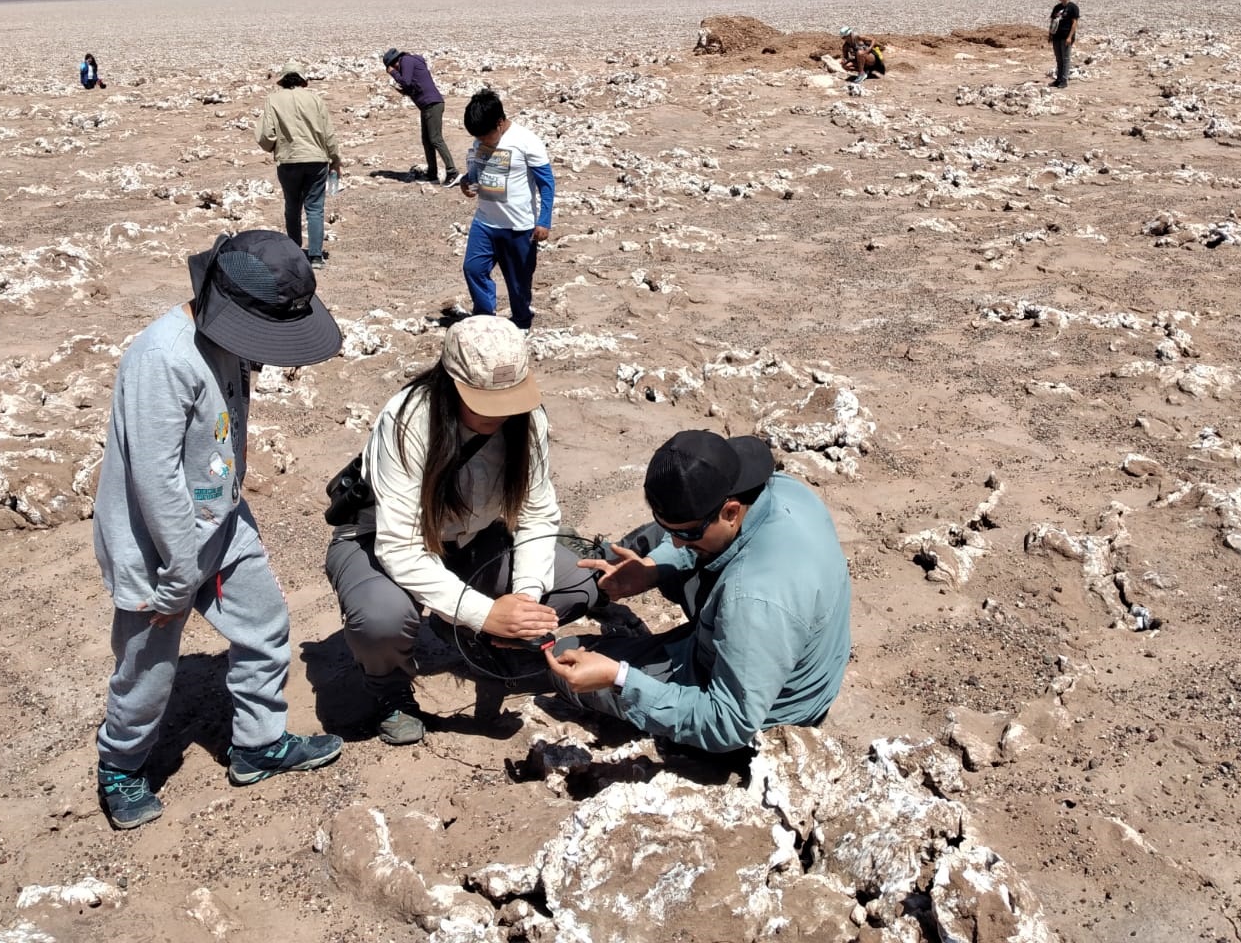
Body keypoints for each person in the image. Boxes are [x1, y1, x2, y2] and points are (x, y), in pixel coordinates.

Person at [92, 230, 346, 830]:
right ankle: (121, 765)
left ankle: (257, 745)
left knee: (265, 625)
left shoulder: (226, 339)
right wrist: (178, 575)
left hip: (221, 524)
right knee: (147, 670)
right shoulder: (162, 360)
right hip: (156, 548)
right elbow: (156, 482)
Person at [323, 315, 603, 745]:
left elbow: (535, 515)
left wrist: (523, 601)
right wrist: (486, 612)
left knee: (580, 583)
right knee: (381, 619)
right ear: (449, 382)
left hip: (472, 540)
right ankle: (390, 690)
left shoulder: (529, 422)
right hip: (380, 541)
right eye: (485, 401)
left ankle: (475, 634)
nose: (501, 413)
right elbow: (400, 549)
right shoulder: (406, 422)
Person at [548, 430, 851, 754]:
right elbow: (686, 539)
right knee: (663, 542)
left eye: (688, 533)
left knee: (564, 660)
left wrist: (619, 679)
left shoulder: (752, 598)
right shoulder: (783, 490)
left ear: (731, 511)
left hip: (768, 715)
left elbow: (729, 722)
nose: (678, 542)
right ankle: (607, 568)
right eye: (672, 531)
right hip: (782, 647)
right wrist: (653, 567)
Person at [459, 89, 555, 331]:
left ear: (500, 122)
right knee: (473, 269)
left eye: (485, 136)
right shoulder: (480, 139)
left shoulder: (526, 141)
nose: (481, 141)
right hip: (485, 222)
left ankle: (522, 325)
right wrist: (465, 183)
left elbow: (547, 183)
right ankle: (484, 319)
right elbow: (476, 173)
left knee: (518, 284)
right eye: (477, 137)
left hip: (518, 227)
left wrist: (544, 221)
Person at [255, 62, 342, 271]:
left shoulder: (273, 100)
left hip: (288, 160)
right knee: (315, 208)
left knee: (292, 206)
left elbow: (266, 134)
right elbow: (328, 132)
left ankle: (294, 253)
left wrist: (273, 147)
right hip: (316, 160)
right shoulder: (315, 99)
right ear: (303, 80)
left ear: (283, 80)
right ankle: (315, 256)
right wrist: (335, 159)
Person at [381, 46, 460, 187]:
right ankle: (432, 172)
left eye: (393, 67)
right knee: (426, 140)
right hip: (427, 105)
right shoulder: (411, 62)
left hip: (432, 104)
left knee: (436, 139)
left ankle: (452, 172)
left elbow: (406, 81)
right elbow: (413, 85)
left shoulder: (406, 61)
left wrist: (393, 73)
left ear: (394, 63)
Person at [1048, 0, 1080, 88]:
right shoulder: (1057, 8)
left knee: (1065, 59)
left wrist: (1070, 37)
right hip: (1056, 37)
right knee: (1059, 59)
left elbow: (1074, 23)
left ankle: (1064, 80)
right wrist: (1050, 34)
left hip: (1066, 37)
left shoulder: (1073, 7)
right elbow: (1053, 21)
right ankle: (1058, 79)